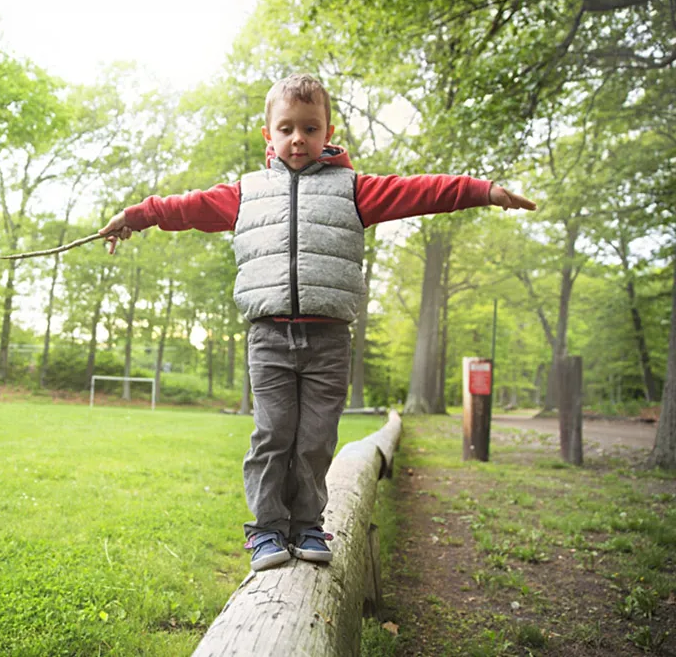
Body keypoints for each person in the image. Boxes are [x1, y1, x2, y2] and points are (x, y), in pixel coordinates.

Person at [98, 74, 536, 572]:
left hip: (329, 339)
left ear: (328, 131)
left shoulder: (354, 189)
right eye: (286, 128)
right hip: (269, 337)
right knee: (273, 433)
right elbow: (182, 207)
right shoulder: (245, 194)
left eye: (310, 127)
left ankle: (307, 524)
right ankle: (266, 530)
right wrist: (134, 216)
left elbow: (421, 191)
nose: (298, 138)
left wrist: (486, 191)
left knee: (315, 438)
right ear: (269, 135)